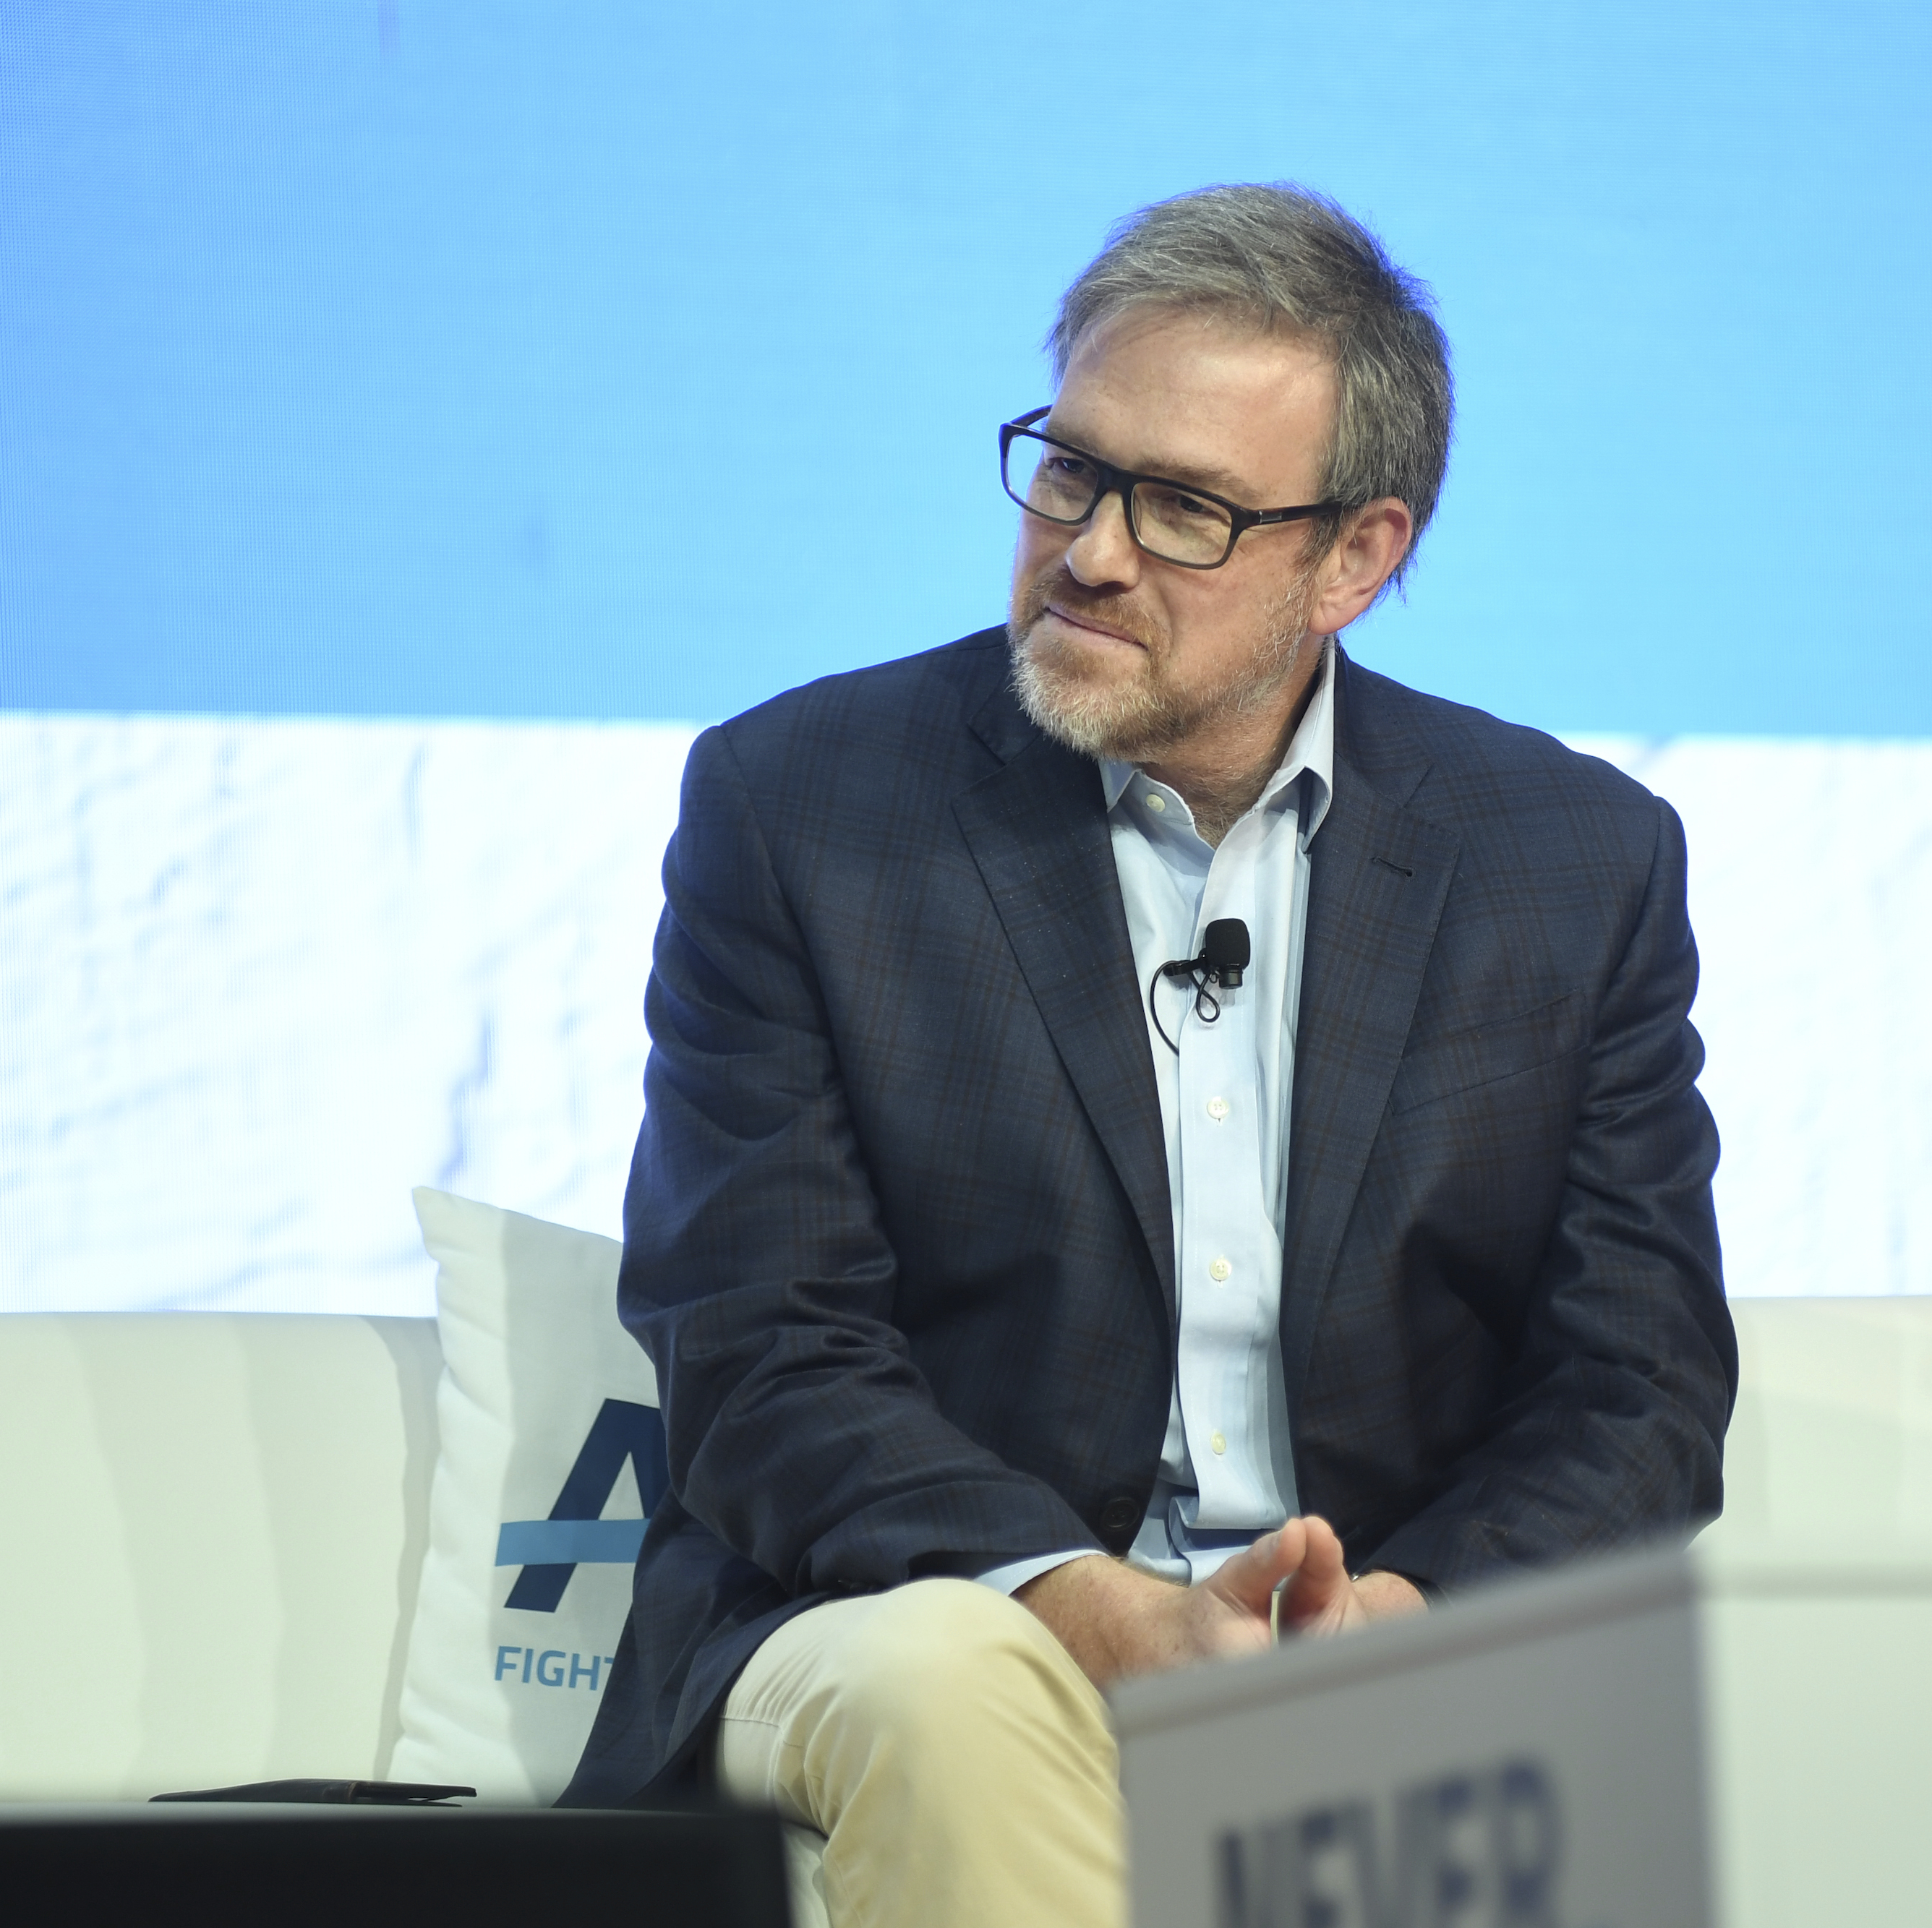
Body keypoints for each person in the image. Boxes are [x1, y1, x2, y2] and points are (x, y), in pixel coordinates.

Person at [562, 183, 1735, 1927]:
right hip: (910, 1614)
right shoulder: (802, 807)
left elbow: (1634, 1382)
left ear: (1355, 556)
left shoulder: (1568, 863)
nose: (1092, 549)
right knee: (959, 1685)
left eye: (1183, 507)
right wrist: (1096, 1607)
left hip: (1372, 1654)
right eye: (1071, 469)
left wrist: (1405, 1617)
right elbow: (762, 1350)